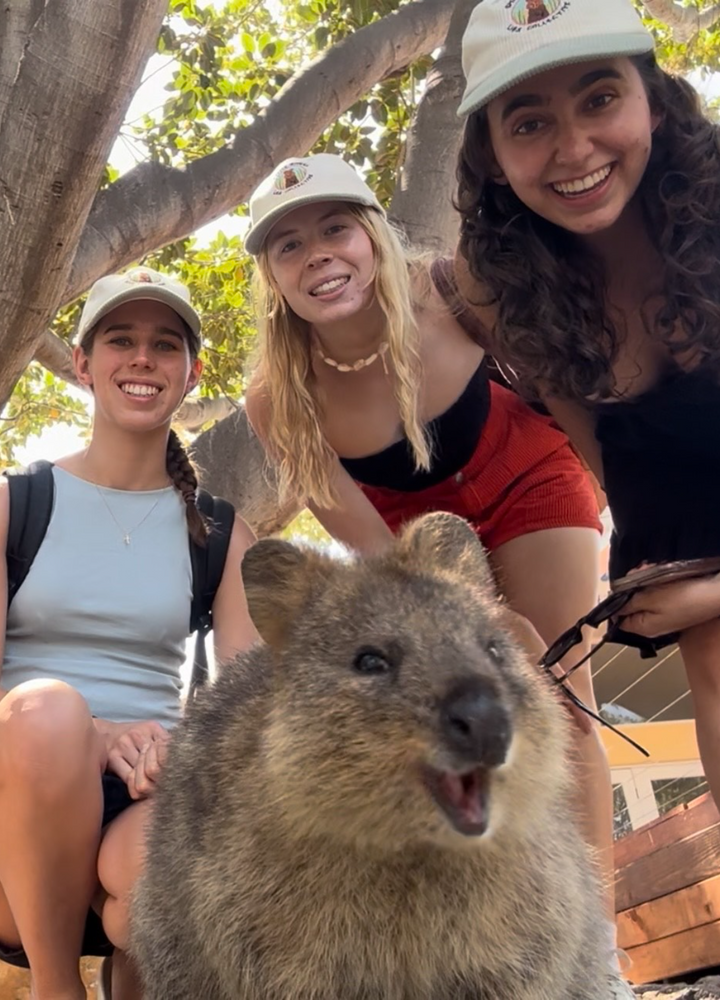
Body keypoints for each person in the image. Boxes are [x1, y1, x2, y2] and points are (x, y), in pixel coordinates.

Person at [242, 152, 629, 992]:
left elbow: (569, 402)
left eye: (335, 227)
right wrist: (476, 619)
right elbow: (374, 546)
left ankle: (597, 952)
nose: (318, 255)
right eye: (288, 245)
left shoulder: (458, 291)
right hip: (416, 546)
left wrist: (626, 507)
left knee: (557, 696)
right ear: (272, 275)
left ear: (373, 231)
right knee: (455, 719)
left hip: (529, 480)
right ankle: (506, 938)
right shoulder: (277, 398)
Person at [454, 0, 720, 822]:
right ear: (494, 157)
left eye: (600, 98)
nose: (574, 149)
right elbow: (613, 470)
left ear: (652, 97)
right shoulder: (500, 290)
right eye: (529, 123)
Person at [0, 267, 259, 1000]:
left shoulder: (219, 533)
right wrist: (98, 732)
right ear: (83, 365)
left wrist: (177, 751)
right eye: (121, 340)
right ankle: (59, 988)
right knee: (48, 712)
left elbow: (249, 714)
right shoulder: (16, 504)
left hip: (149, 788)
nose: (142, 359)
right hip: (19, 789)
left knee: (172, 877)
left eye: (165, 345)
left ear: (190, 373)